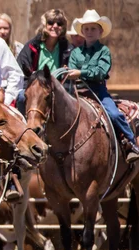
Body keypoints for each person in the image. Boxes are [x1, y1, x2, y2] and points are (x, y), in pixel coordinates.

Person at [11, 9, 73, 201]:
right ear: (44, 25)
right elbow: (19, 70)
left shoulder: (67, 48)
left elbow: (70, 74)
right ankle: (22, 134)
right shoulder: (32, 46)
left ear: (63, 27)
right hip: (34, 92)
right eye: (51, 23)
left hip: (59, 92)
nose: (55, 27)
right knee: (21, 98)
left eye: (59, 23)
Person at [67, 10, 139, 163]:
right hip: (77, 92)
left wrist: (80, 72)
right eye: (86, 29)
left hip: (98, 91)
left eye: (93, 28)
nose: (89, 32)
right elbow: (70, 70)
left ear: (100, 31)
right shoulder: (75, 53)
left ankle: (130, 143)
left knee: (114, 114)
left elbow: (101, 72)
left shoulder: (103, 51)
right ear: (82, 32)